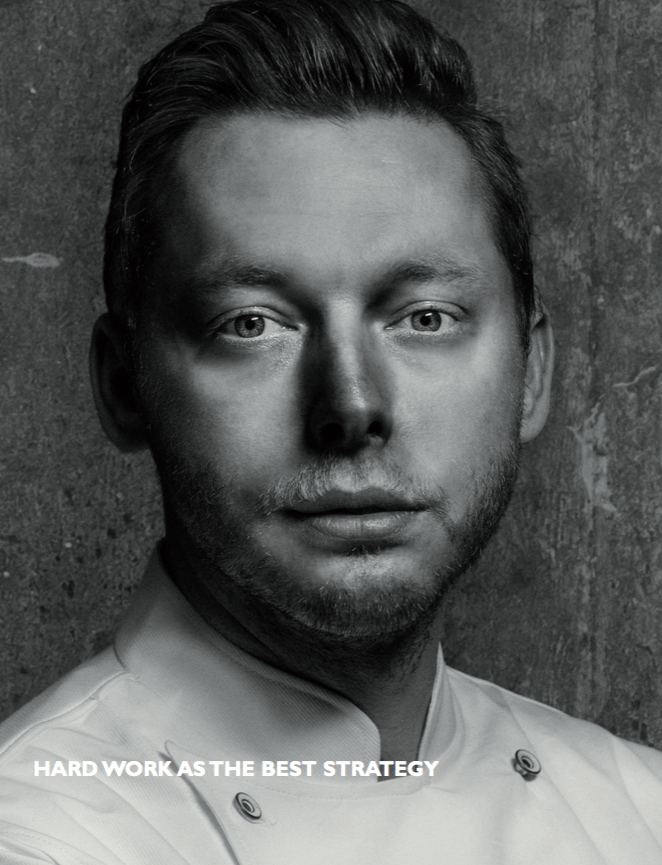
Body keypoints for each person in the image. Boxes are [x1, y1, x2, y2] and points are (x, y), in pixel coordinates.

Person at [0, 0, 661, 862]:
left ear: (530, 373)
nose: (351, 404)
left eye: (425, 317)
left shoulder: (638, 811)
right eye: (251, 324)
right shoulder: (39, 833)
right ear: (125, 386)